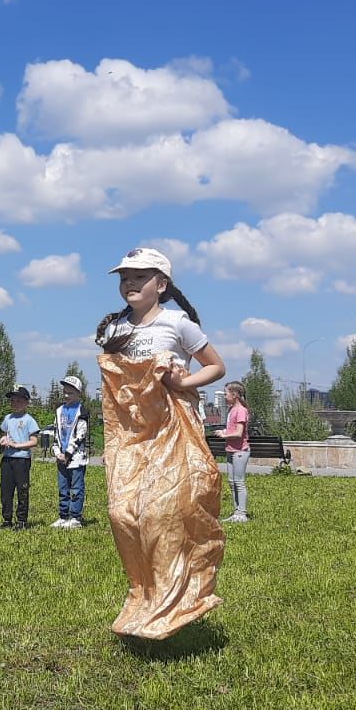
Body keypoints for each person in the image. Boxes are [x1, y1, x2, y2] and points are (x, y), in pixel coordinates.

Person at [95, 247, 227, 639]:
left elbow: (217, 366)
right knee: (122, 513)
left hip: (170, 431)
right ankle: (144, 596)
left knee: (159, 514)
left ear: (162, 284)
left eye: (140, 277)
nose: (130, 283)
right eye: (125, 278)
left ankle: (180, 600)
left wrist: (183, 382)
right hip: (130, 434)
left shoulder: (177, 323)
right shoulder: (116, 329)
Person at [50, 375, 91, 529]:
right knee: (63, 488)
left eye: (71, 393)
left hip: (76, 457)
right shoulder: (59, 410)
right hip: (61, 456)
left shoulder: (82, 410)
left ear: (78, 393)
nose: (67, 395)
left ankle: (75, 517)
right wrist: (57, 452)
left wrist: (68, 454)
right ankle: (63, 515)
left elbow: (81, 434)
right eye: (65, 392)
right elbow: (56, 433)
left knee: (76, 488)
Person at [0, 387, 40, 529]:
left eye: (18, 400)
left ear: (26, 402)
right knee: (6, 490)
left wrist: (18, 446)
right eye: (12, 400)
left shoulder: (29, 420)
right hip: (7, 459)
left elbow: (34, 441)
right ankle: (7, 519)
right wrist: (3, 440)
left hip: (22, 459)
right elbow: (4, 433)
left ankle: (22, 520)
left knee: (22, 490)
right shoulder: (8, 418)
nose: (14, 403)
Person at [217, 381, 252, 523]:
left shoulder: (241, 411)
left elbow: (239, 433)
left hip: (240, 451)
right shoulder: (232, 410)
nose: (225, 396)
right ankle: (236, 511)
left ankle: (242, 513)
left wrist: (224, 435)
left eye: (226, 393)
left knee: (239, 482)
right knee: (232, 482)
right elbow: (233, 430)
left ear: (235, 394)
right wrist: (224, 431)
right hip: (231, 450)